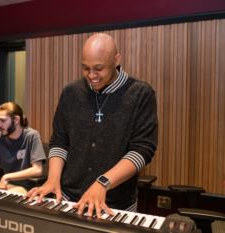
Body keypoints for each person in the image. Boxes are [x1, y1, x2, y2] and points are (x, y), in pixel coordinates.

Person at [27, 33, 158, 219]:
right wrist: (53, 179)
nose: (91, 75)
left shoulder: (140, 94)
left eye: (98, 68)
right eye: (85, 68)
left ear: (116, 59)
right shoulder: (71, 93)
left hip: (115, 205)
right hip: (68, 199)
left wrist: (102, 183)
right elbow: (59, 141)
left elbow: (142, 150)